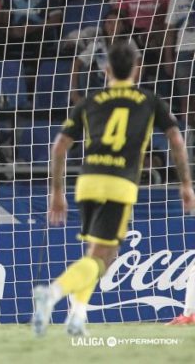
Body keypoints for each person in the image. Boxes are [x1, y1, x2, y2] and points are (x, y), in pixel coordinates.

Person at [31, 42, 195, 337]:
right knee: (102, 259)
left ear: (105, 70)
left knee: (97, 253)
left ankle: (77, 317)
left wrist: (56, 192)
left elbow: (59, 147)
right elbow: (177, 141)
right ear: (138, 68)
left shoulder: (90, 100)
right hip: (119, 184)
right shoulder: (148, 99)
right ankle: (53, 293)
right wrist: (185, 184)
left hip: (87, 181)